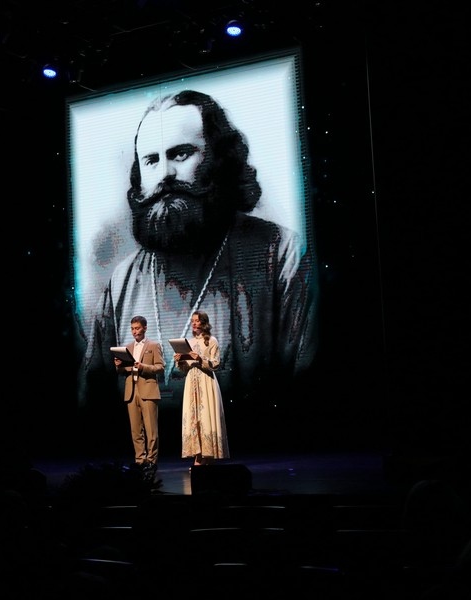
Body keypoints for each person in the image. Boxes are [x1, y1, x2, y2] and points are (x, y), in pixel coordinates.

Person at [80, 89, 317, 408]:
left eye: (180, 154)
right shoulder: (122, 281)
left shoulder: (283, 255)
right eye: (151, 160)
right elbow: (95, 403)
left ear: (219, 160)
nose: (164, 174)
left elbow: (306, 393)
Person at [114, 315, 164, 484]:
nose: (135, 331)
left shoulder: (153, 345)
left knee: (151, 430)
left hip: (148, 391)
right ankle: (140, 461)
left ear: (144, 328)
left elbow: (160, 367)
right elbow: (123, 371)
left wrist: (144, 367)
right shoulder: (128, 348)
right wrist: (118, 366)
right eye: (133, 329)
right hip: (132, 391)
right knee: (136, 431)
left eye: (137, 328)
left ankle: (151, 462)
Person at [174, 310, 229, 467]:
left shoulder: (211, 341)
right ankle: (198, 455)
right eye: (193, 321)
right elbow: (184, 368)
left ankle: (208, 456)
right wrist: (180, 360)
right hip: (192, 381)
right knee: (194, 417)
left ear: (204, 323)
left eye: (197, 321)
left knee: (206, 416)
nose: (194, 323)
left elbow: (215, 364)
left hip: (206, 381)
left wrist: (200, 359)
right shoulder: (189, 342)